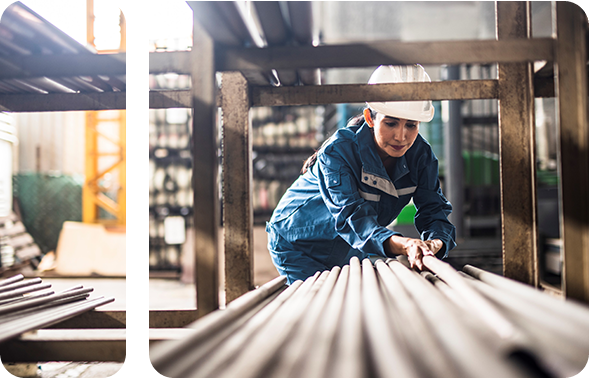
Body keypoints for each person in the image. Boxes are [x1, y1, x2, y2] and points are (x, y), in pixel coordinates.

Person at [266, 65, 456, 284]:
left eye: (411, 125)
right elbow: (352, 217)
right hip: (297, 243)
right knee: (322, 309)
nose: (401, 136)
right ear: (370, 118)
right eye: (391, 123)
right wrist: (405, 245)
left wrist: (435, 243)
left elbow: (434, 210)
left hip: (349, 246)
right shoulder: (339, 151)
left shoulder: (421, 156)